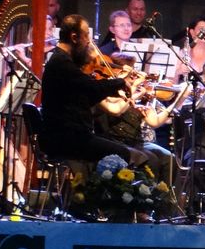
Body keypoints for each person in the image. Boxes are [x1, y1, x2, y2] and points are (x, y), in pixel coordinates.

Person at [39, 14, 150, 166]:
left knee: (128, 153)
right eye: (86, 36)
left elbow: (88, 94)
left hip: (69, 135)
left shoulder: (62, 60)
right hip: (67, 138)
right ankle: (107, 182)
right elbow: (91, 89)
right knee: (128, 155)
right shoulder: (62, 63)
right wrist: (119, 83)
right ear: (74, 37)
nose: (89, 42)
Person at [94, 53, 187, 177]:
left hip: (137, 142)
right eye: (130, 73)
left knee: (169, 158)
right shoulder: (111, 92)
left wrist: (180, 99)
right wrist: (134, 88)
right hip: (114, 139)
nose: (134, 76)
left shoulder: (137, 92)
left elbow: (154, 122)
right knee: (151, 160)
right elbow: (116, 107)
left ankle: (165, 189)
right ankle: (146, 189)